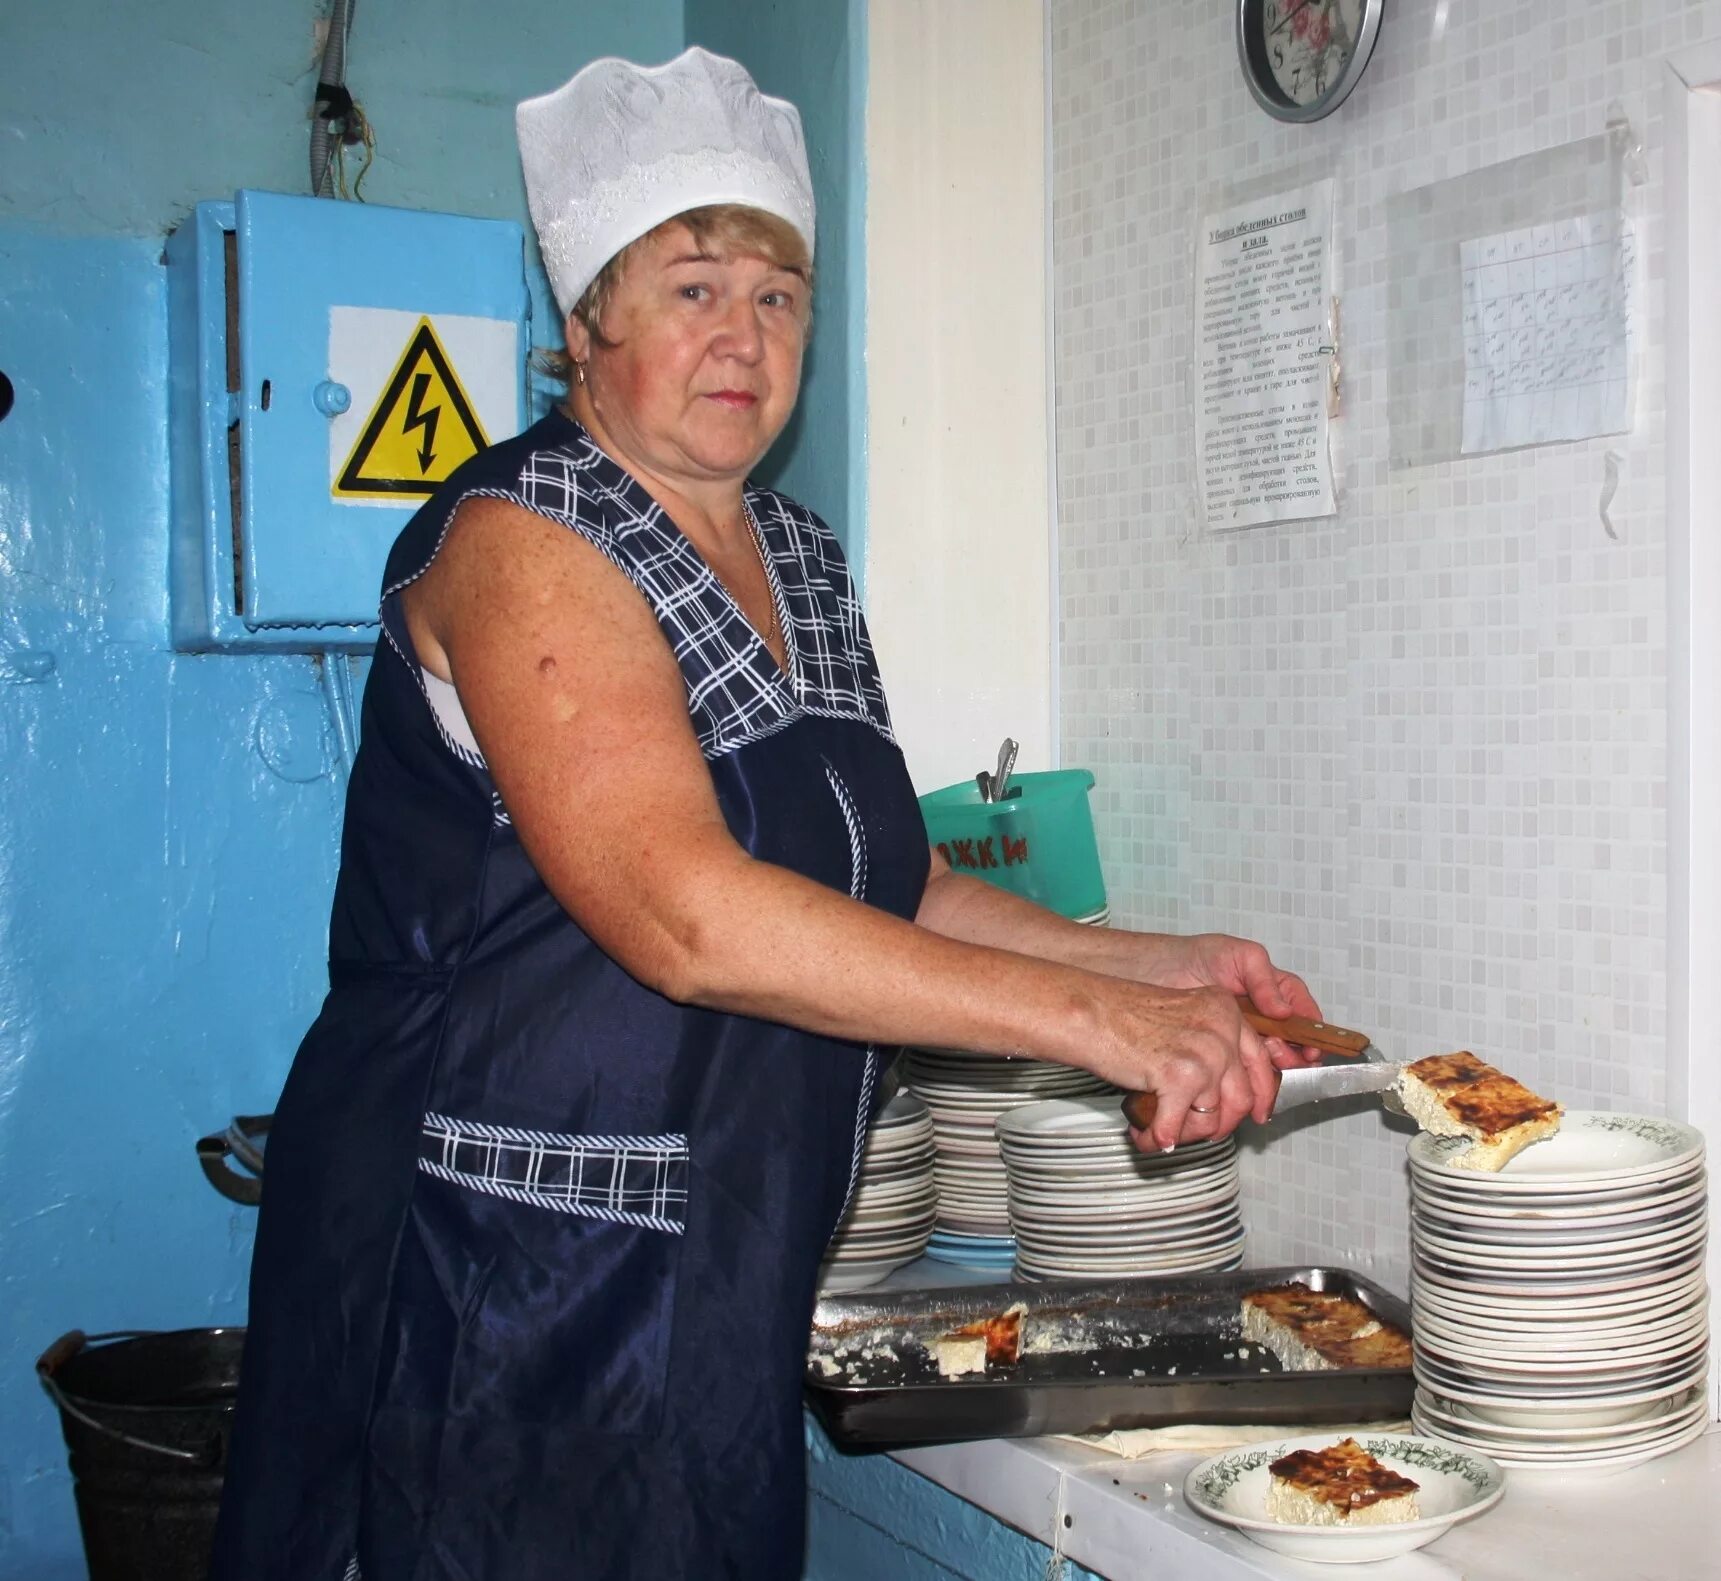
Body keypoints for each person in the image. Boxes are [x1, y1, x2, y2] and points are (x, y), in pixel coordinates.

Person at [211, 46, 1324, 1581]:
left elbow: (893, 880)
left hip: (718, 1248)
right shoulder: (520, 540)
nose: (745, 334)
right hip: (489, 1271)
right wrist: (1094, 1025)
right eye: (692, 287)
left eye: (779, 295)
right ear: (588, 320)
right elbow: (684, 908)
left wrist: (1157, 968)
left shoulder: (796, 552)